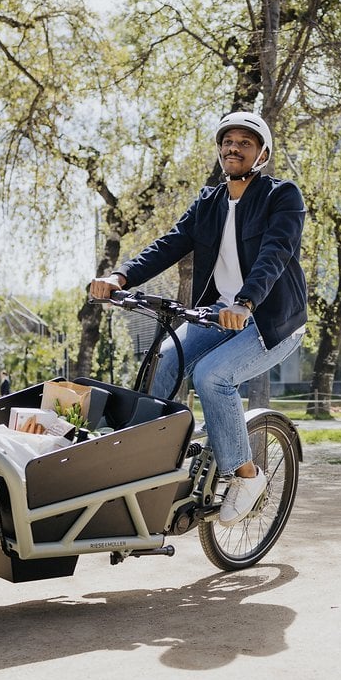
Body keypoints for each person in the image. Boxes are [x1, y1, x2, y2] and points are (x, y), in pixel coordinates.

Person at [88, 111, 307, 527]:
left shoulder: (282, 196)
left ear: (262, 154)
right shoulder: (209, 201)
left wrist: (245, 302)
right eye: (228, 141)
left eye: (245, 142)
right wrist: (120, 276)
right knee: (166, 360)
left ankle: (246, 476)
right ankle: (154, 461)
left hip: (270, 321)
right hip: (217, 314)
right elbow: (170, 244)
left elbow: (274, 254)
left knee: (211, 377)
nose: (233, 147)